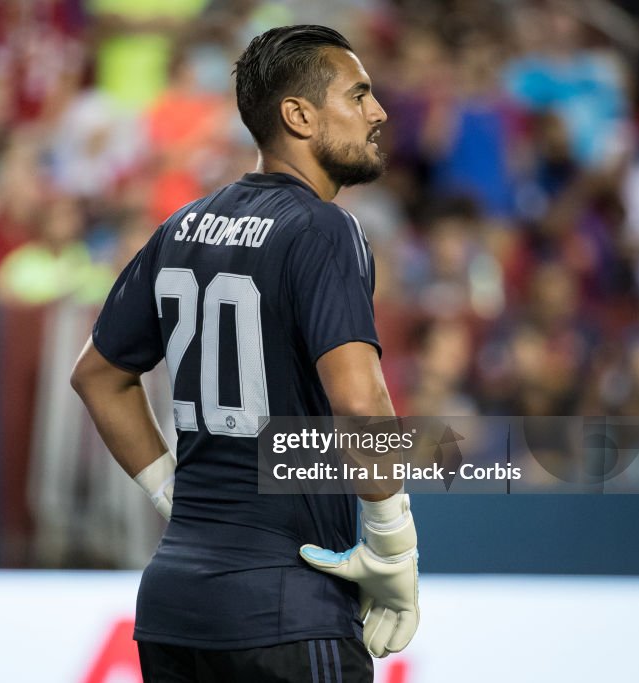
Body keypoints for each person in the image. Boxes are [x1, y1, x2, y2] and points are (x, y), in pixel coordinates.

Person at [71, 25, 419, 682]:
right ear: (299, 115)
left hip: (174, 603)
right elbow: (358, 398)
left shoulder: (182, 224)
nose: (379, 113)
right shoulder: (322, 227)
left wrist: (170, 491)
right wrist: (393, 542)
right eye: (360, 94)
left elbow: (97, 374)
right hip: (288, 608)